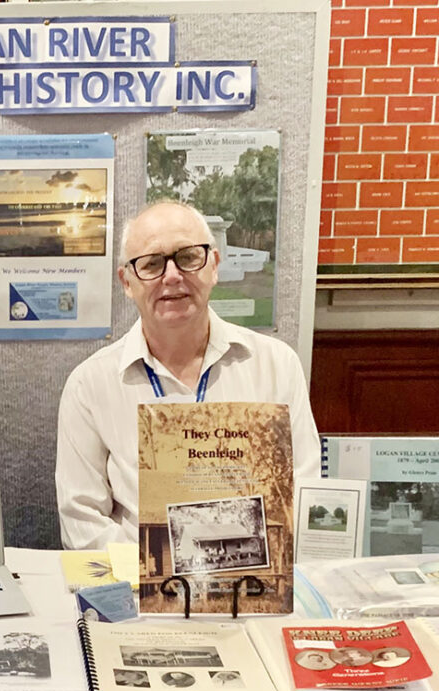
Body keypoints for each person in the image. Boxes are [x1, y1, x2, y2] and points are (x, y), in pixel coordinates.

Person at [56, 201, 321, 549]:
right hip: (138, 588)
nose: (172, 276)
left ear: (213, 265)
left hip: (254, 583)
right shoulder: (89, 385)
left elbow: (304, 493)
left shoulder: (276, 365)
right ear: (127, 281)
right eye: (151, 263)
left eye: (188, 257)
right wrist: (157, 577)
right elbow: (82, 522)